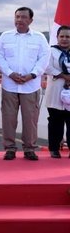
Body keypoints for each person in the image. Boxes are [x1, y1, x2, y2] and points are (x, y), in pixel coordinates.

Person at [0, 7, 50, 161]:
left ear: (31, 20)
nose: (19, 20)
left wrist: (32, 75)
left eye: (24, 17)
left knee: (30, 118)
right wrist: (10, 73)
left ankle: (29, 148)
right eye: (17, 17)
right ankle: (10, 148)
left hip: (31, 85)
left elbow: (44, 58)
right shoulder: (6, 36)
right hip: (9, 84)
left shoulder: (39, 38)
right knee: (8, 118)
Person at [44, 25, 70, 158]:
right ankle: (54, 148)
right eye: (62, 36)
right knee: (55, 122)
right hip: (55, 92)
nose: (65, 39)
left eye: (68, 37)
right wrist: (64, 75)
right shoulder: (50, 51)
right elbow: (46, 67)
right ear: (57, 37)